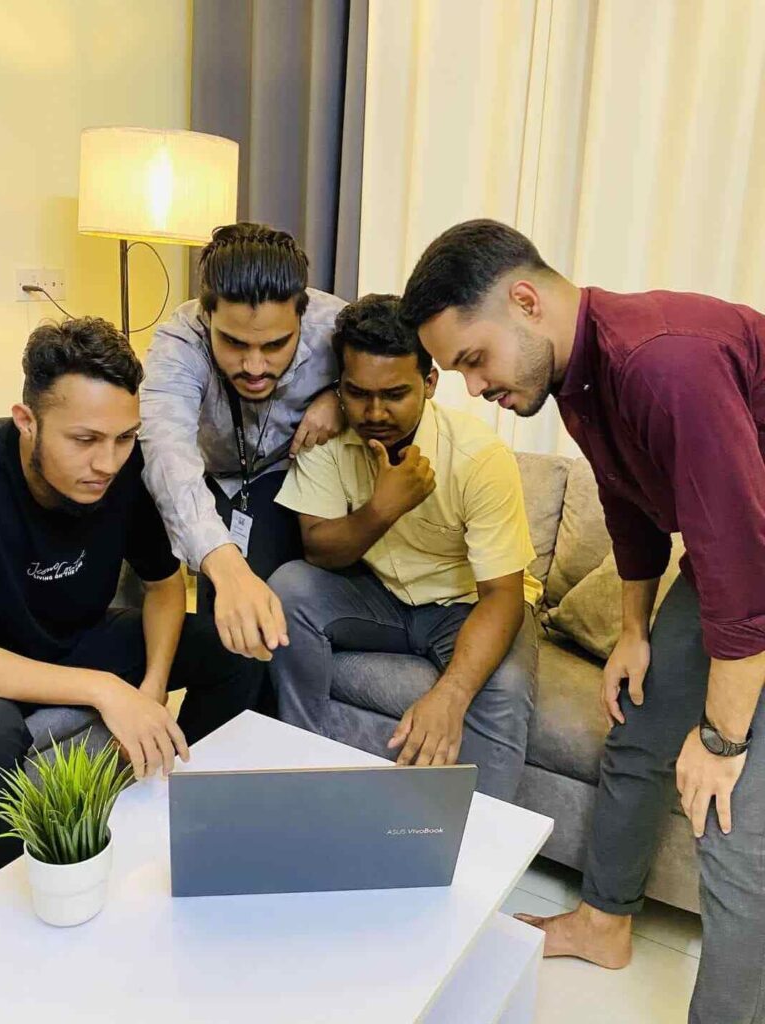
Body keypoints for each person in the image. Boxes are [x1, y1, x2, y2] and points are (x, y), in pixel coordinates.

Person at [401, 218, 765, 1023]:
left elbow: (745, 581)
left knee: (734, 823)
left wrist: (721, 743)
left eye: (474, 359)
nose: (473, 387)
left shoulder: (665, 365)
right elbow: (630, 507)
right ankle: (603, 925)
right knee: (638, 728)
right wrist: (633, 633)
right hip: (741, 555)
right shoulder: (581, 377)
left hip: (754, 564)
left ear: (525, 302)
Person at [0, 317, 260, 879]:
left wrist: (149, 691)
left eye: (124, 438)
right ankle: (15, 897)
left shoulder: (125, 468)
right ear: (27, 422)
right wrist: (105, 690)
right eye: (84, 440)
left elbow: (163, 584)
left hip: (67, 636)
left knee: (236, 650)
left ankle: (179, 818)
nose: (108, 463)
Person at [266, 294, 541, 801]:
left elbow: (502, 596)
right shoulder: (326, 438)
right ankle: (301, 773)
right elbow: (319, 551)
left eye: (394, 394)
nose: (374, 413)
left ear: (430, 382)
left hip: (467, 605)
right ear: (340, 386)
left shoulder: (480, 457)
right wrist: (382, 508)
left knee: (503, 688)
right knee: (288, 589)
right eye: (358, 393)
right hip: (380, 599)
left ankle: (481, 834)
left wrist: (450, 695)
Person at [139, 223, 345, 668]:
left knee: (267, 625)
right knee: (220, 624)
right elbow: (165, 452)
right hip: (210, 475)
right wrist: (224, 565)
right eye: (234, 342)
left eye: (275, 345)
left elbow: (401, 374)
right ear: (207, 315)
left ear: (302, 315)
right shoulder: (178, 343)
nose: (254, 366)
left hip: (282, 473)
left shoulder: (336, 325)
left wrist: (340, 397)